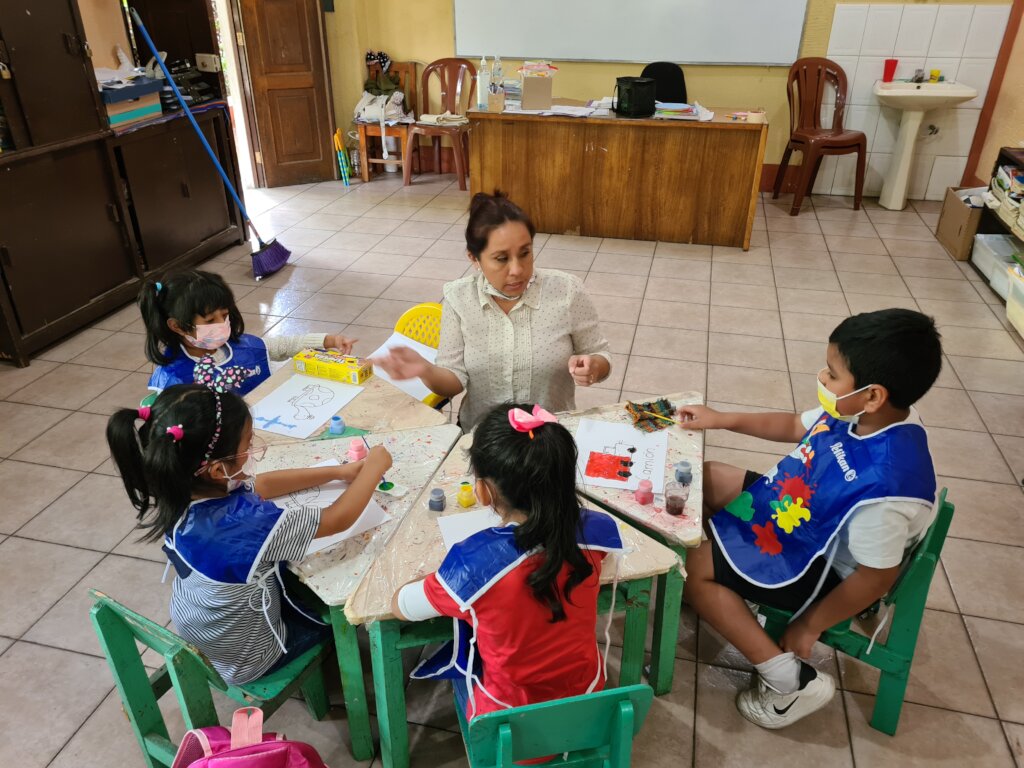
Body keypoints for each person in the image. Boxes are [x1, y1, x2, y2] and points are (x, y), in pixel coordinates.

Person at [679, 308, 942, 729]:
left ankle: (790, 682)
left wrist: (809, 625)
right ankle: (729, 587)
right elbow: (791, 425)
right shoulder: (860, 413)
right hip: (801, 515)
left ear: (873, 395)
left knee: (693, 568)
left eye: (833, 374)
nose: (822, 378)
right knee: (706, 478)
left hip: (823, 567)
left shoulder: (887, 487)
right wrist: (721, 419)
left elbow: (876, 578)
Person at [106, 383, 392, 685]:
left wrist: (337, 472)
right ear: (217, 470)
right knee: (339, 616)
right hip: (252, 656)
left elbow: (262, 485)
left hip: (205, 626)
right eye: (248, 444)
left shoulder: (177, 491)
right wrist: (373, 468)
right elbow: (338, 519)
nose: (251, 451)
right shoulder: (245, 524)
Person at [391, 402, 624, 719]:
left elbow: (401, 606)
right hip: (586, 699)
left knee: (459, 671)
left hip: (510, 722)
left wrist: (431, 579)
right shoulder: (598, 531)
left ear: (483, 491)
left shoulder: (472, 566)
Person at [371, 192, 611, 430]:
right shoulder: (459, 298)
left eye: (525, 253)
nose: (517, 270)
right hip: (482, 435)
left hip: (549, 438)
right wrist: (425, 370)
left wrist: (594, 367)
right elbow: (454, 380)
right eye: (501, 258)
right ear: (474, 258)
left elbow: (599, 354)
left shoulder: (566, 290)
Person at [140, 270, 356, 395]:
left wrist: (329, 340)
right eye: (210, 320)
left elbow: (285, 346)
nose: (222, 324)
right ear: (177, 326)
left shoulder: (240, 346)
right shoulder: (173, 377)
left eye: (225, 315)